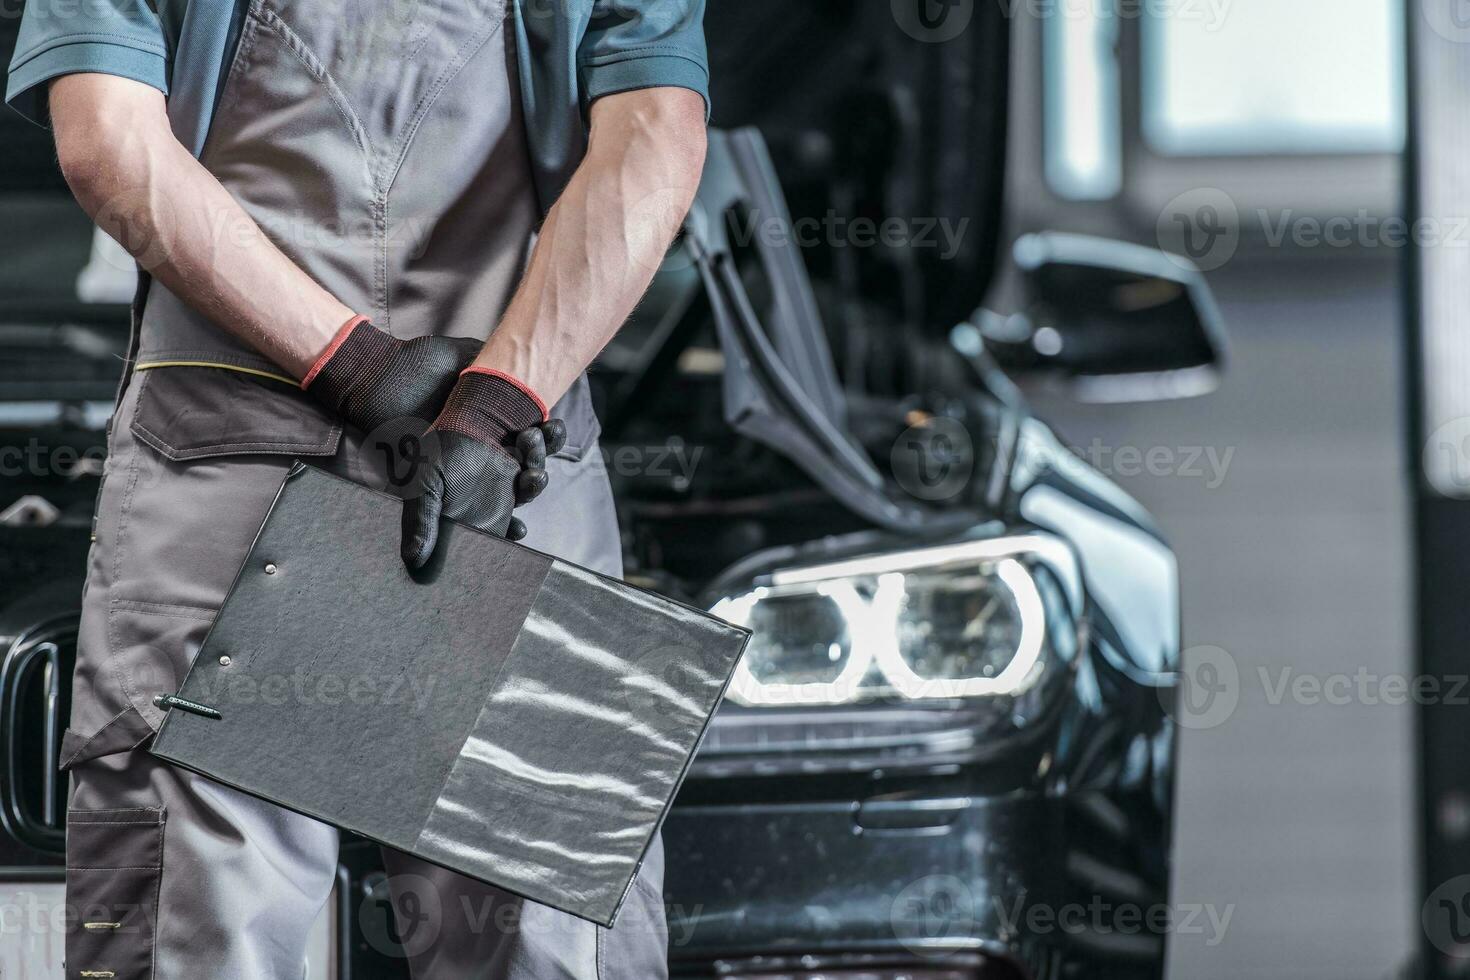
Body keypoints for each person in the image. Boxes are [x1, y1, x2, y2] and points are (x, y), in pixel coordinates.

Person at [5, 0, 709, 975]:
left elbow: (112, 136)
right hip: (492, 466)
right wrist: (489, 403)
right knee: (544, 947)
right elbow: (652, 133)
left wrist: (382, 376)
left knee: (201, 934)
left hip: (247, 464)